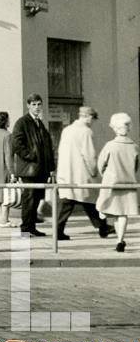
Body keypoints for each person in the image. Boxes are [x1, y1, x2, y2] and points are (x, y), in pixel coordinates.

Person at [56, 106, 112, 241]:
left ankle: (102, 226)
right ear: (88, 117)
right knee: (92, 201)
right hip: (80, 174)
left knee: (69, 202)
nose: (92, 121)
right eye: (92, 118)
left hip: (66, 172)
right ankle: (102, 227)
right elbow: (89, 154)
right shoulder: (86, 131)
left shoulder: (67, 130)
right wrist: (94, 171)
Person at [12, 93, 56, 237]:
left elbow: (48, 146)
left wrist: (51, 169)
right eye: (34, 104)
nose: (37, 107)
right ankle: (25, 229)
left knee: (36, 198)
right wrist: (31, 156)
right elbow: (17, 144)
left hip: (39, 169)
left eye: (39, 104)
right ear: (28, 105)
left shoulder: (39, 123)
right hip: (29, 170)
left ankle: (31, 227)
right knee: (29, 199)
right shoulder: (22, 122)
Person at [96, 113, 140, 253]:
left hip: (112, 183)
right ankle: (120, 240)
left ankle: (102, 213)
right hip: (128, 184)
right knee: (123, 214)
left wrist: (106, 174)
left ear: (115, 128)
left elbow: (101, 164)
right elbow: (136, 166)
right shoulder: (134, 147)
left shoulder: (110, 146)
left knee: (111, 210)